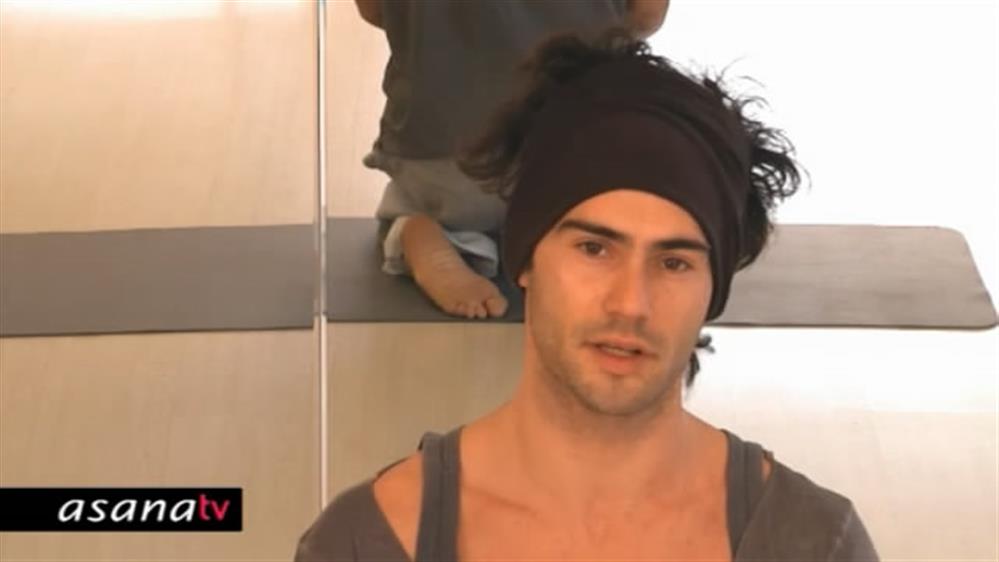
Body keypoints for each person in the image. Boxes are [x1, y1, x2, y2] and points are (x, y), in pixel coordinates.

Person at [297, 29, 879, 561]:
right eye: (594, 249)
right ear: (526, 258)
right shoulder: (367, 543)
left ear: (713, 291)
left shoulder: (813, 544)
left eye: (673, 262)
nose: (630, 303)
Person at [353, 0, 670, 319]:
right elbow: (647, 15)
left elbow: (374, 10)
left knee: (421, 199)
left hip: (443, 153)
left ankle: (425, 229)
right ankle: (565, 241)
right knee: (605, 203)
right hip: (572, 153)